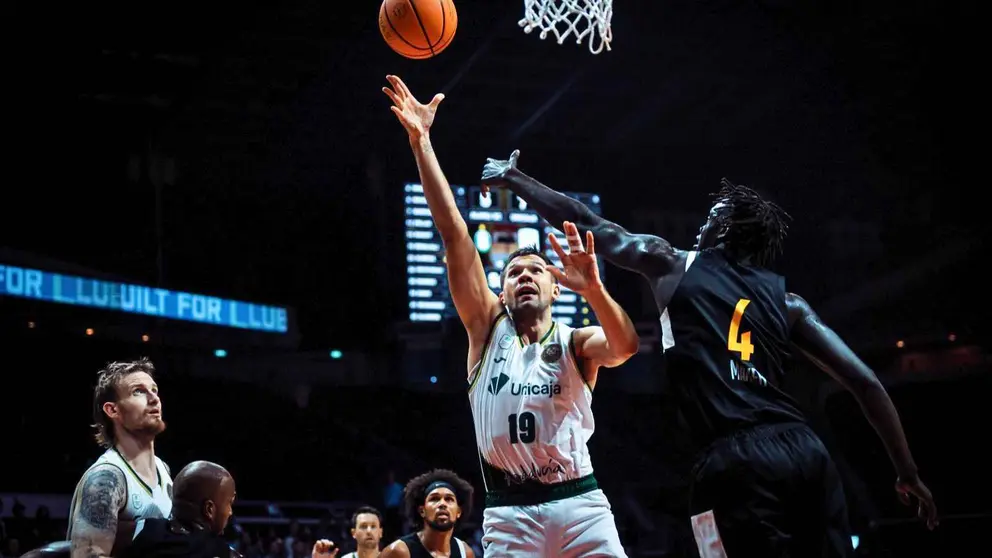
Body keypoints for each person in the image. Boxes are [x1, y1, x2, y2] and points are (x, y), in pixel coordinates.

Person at [481, 151, 939, 556]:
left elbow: (589, 223)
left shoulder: (674, 263)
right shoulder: (789, 302)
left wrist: (517, 180)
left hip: (732, 460)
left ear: (723, 228)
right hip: (804, 450)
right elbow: (865, 382)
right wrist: (906, 470)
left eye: (710, 217)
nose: (700, 224)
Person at [383, 75, 638, 557]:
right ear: (500, 291)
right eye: (514, 271)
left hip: (580, 503)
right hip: (509, 512)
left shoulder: (576, 340)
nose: (524, 275)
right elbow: (455, 234)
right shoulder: (486, 328)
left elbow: (624, 346)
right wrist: (422, 142)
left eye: (536, 270)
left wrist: (597, 288)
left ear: (555, 289)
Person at [67, 358, 173, 558]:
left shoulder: (163, 470)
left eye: (154, 390)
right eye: (138, 391)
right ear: (112, 410)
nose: (154, 398)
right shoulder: (106, 478)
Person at [122, 460, 238, 558]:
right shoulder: (223, 553)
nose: (230, 512)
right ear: (209, 509)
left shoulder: (139, 530)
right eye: (229, 503)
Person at [379, 470, 475, 558]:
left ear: (458, 512)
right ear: (422, 511)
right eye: (434, 499)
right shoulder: (398, 552)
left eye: (449, 499)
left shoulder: (465, 553)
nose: (442, 504)